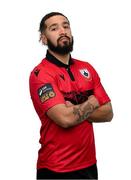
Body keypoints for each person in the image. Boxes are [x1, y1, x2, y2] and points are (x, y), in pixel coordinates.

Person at [29, 12, 113, 179]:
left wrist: (74, 109)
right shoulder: (40, 74)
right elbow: (65, 119)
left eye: (66, 26)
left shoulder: (87, 68)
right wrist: (94, 101)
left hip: (89, 164)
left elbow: (108, 113)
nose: (62, 31)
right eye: (54, 28)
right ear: (44, 39)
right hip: (56, 168)